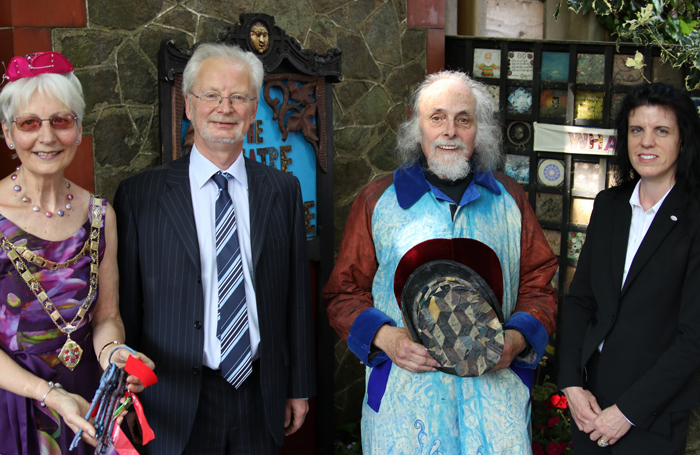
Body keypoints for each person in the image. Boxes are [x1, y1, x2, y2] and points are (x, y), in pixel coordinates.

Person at [322, 70, 557, 453]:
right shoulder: (377, 201)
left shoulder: (509, 200)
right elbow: (343, 293)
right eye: (437, 118)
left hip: (494, 407)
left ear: (478, 130)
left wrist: (514, 342)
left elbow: (539, 285)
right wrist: (386, 337)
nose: (450, 130)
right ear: (418, 129)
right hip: (405, 402)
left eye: (463, 119)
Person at [114, 42, 315, 455]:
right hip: (172, 398)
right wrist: (126, 396)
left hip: (260, 394)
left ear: (254, 107)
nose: (225, 108)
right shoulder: (140, 196)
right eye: (211, 95)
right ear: (189, 105)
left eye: (238, 97)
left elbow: (296, 298)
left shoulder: (283, 190)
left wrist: (299, 388)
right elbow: (126, 309)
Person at [0, 51, 154, 455]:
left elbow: (106, 317)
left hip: (86, 403)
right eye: (30, 123)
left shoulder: (101, 215)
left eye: (61, 121)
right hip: (12, 402)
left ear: (79, 128)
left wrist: (115, 354)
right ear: (7, 133)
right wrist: (48, 394)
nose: (47, 137)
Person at [559, 82, 700, 453]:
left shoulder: (695, 219)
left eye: (662, 131)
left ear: (683, 140)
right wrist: (572, 385)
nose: (646, 142)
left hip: (652, 413)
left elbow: (694, 339)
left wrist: (628, 412)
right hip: (590, 405)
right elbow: (580, 302)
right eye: (637, 130)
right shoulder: (610, 205)